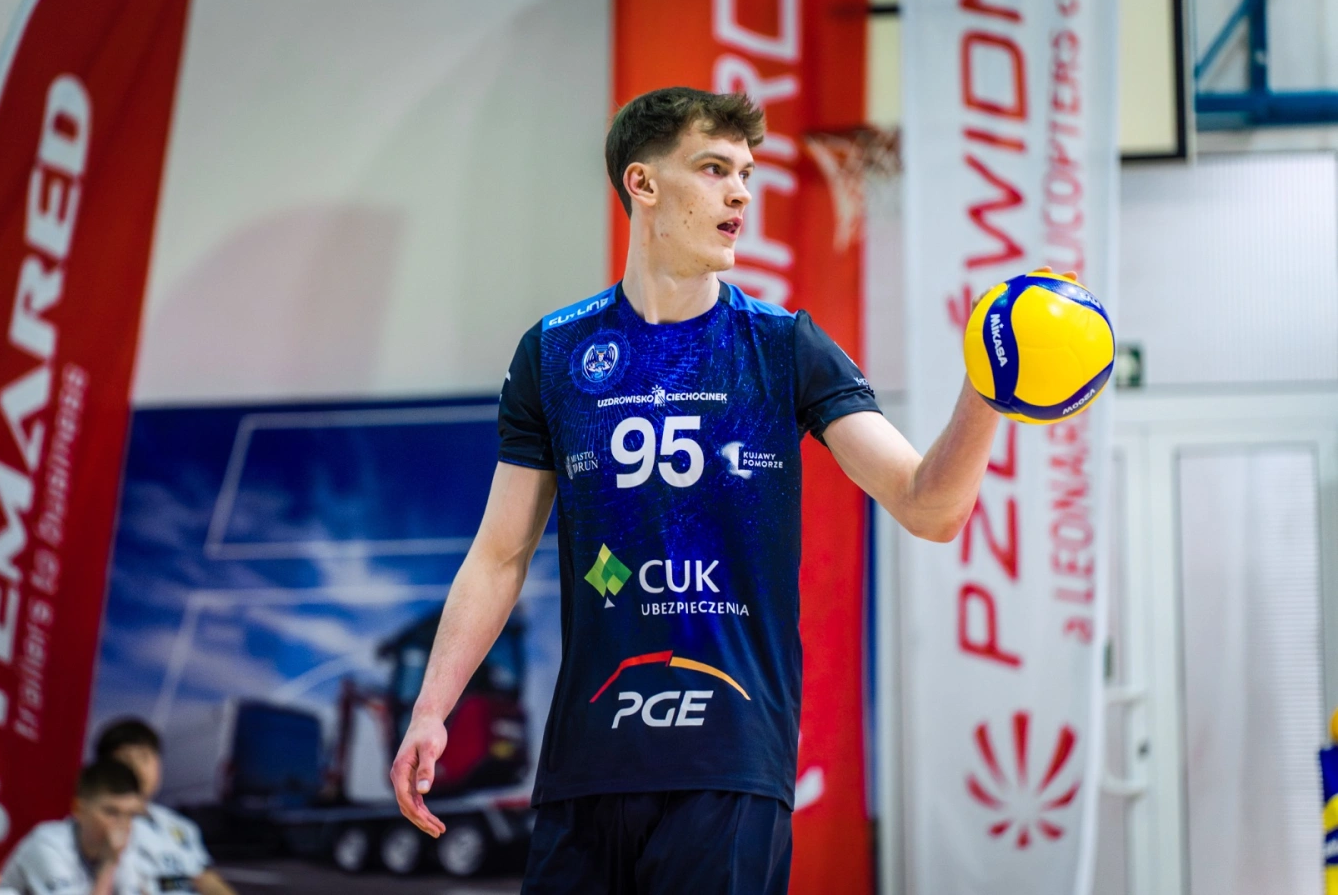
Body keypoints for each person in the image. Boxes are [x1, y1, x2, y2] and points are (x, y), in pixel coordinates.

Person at [390, 86, 1003, 894]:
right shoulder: (554, 353)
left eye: (746, 174)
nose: (740, 193)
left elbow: (930, 507)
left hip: (730, 762)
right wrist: (431, 708)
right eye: (715, 169)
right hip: (587, 766)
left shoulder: (784, 346)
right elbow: (499, 555)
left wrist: (989, 389)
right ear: (642, 184)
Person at [94, 719, 237, 895]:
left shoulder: (181, 826)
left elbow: (202, 878)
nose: (137, 769)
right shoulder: (92, 826)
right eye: (125, 760)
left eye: (144, 758)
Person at [0, 759, 149, 895]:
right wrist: (108, 864)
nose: (123, 824)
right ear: (78, 809)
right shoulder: (47, 845)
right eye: (111, 812)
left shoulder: (122, 852)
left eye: (131, 815)